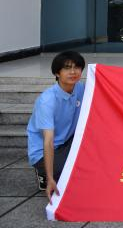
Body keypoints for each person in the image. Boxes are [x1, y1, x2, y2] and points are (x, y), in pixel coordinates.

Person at [27, 51, 86, 202]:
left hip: (68, 141)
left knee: (90, 164)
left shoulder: (80, 88)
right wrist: (50, 178)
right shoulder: (47, 101)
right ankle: (44, 174)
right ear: (57, 73)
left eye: (77, 67)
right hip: (44, 150)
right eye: (67, 68)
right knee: (71, 173)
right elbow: (48, 141)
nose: (73, 72)